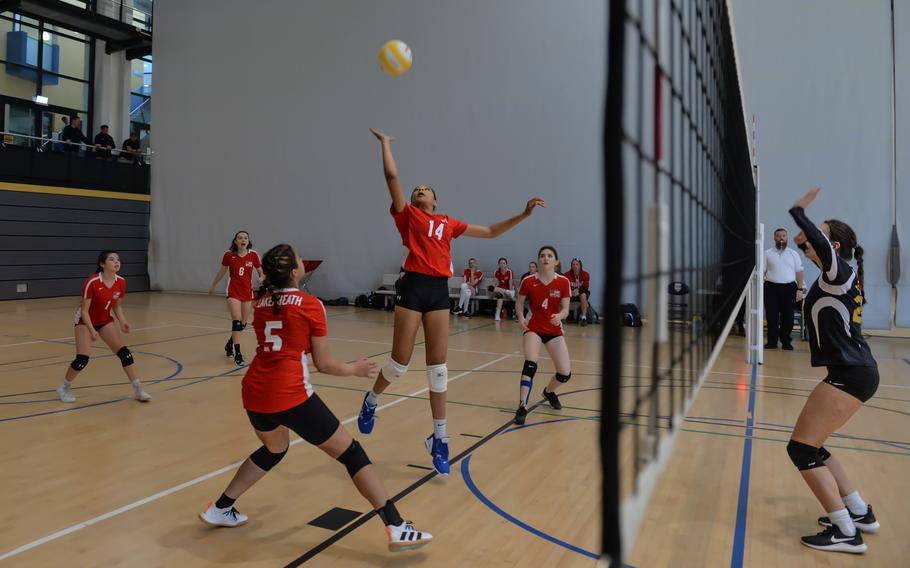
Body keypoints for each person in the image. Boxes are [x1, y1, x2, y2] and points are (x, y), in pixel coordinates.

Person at [199, 244, 432, 552]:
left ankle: (220, 507)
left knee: (274, 449)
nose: (302, 260)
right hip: (289, 395)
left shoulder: (262, 302)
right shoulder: (310, 304)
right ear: (295, 270)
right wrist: (355, 369)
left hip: (254, 392)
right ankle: (396, 526)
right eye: (298, 258)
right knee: (353, 455)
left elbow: (285, 352)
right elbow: (324, 364)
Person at [357, 128, 544, 475]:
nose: (419, 190)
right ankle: (371, 399)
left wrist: (523, 215)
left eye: (425, 189)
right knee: (399, 364)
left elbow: (489, 232)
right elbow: (392, 175)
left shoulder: (447, 223)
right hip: (413, 286)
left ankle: (439, 439)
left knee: (438, 370)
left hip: (438, 291)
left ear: (436, 201)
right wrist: (385, 145)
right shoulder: (407, 217)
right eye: (417, 190)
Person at [786, 187, 879, 554]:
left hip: (851, 373)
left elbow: (816, 244)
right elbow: (813, 250)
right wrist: (805, 236)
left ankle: (844, 531)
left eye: (820, 237)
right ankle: (858, 513)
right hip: (855, 371)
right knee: (814, 445)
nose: (808, 244)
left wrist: (798, 212)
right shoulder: (837, 274)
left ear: (833, 246)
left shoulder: (838, 272)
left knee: (801, 450)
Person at [56, 251, 151, 403]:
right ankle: (64, 387)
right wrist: (92, 331)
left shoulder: (121, 282)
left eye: (118, 259)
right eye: (112, 259)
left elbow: (117, 306)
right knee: (82, 359)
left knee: (125, 353)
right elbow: (85, 311)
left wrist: (122, 321)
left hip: (105, 320)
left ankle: (138, 389)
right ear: (102, 264)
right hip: (84, 321)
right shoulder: (92, 282)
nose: (116, 262)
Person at [513, 246, 572, 424]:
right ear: (538, 260)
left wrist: (559, 316)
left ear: (556, 261)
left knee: (565, 374)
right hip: (534, 327)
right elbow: (519, 303)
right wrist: (521, 317)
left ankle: (549, 391)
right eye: (542, 256)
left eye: (549, 256)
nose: (546, 258)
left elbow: (566, 309)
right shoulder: (529, 281)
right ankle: (522, 406)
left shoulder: (563, 282)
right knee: (531, 363)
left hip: (554, 330)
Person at [208, 231, 263, 365]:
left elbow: (261, 272)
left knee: (243, 324)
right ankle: (237, 353)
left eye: (245, 238)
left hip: (247, 293)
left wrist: (262, 278)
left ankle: (229, 344)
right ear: (235, 241)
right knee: (237, 321)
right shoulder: (228, 255)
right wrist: (213, 285)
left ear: (248, 241)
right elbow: (222, 272)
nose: (243, 240)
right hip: (233, 292)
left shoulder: (253, 255)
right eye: (240, 238)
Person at [764, 227, 805, 350]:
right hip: (771, 287)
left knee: (788, 317)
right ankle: (772, 342)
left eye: (783, 236)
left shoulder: (794, 254)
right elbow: (762, 271)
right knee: (772, 316)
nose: (781, 238)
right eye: (778, 236)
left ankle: (786, 341)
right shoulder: (767, 253)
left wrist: (800, 289)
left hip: (789, 288)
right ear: (774, 238)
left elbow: (799, 272)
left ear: (787, 238)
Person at [565, 258, 591, 326]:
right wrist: (571, 291)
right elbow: (565, 287)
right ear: (571, 266)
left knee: (583, 294)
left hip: (581, 293)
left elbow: (586, 287)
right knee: (563, 294)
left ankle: (583, 318)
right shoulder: (567, 275)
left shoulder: (585, 274)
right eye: (573, 264)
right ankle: (563, 318)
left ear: (580, 266)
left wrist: (578, 291)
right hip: (571, 293)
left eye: (577, 264)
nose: (575, 266)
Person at [491, 257, 515, 321]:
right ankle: (497, 314)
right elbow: (494, 283)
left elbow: (511, 283)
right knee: (491, 289)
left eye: (504, 263)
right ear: (498, 264)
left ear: (506, 264)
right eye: (501, 263)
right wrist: (493, 292)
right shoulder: (496, 271)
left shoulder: (509, 271)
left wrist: (509, 292)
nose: (502, 264)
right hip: (501, 290)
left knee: (500, 294)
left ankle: (497, 313)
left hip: (509, 291)